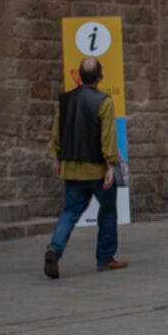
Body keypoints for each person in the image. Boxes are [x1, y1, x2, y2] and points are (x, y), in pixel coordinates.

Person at [44, 57, 125, 278]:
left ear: (79, 76)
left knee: (70, 211)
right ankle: (105, 258)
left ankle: (54, 248)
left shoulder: (65, 100)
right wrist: (110, 166)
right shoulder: (104, 102)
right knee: (107, 211)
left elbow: (57, 132)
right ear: (100, 77)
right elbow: (107, 137)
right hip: (97, 168)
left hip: (71, 166)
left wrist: (57, 157)